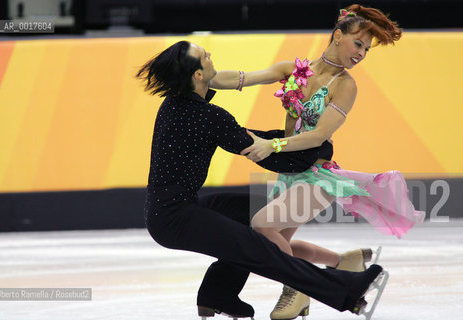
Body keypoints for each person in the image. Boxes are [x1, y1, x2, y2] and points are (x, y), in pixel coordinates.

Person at [139, 40, 385, 319]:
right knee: (258, 249)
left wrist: (302, 144)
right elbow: (267, 154)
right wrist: (318, 149)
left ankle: (218, 293)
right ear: (197, 75)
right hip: (174, 218)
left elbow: (249, 136)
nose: (210, 56)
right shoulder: (206, 116)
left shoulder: (177, 105)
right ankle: (345, 291)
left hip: (174, 208)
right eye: (204, 57)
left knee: (254, 215)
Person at [210, 4, 424, 320]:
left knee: (262, 225)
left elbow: (318, 136)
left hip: (317, 176)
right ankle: (343, 262)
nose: (362, 53)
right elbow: (245, 78)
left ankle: (296, 290)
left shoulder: (345, 85)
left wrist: (273, 145)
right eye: (358, 43)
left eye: (366, 49)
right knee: (273, 243)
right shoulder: (295, 71)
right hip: (290, 174)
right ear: (338, 36)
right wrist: (204, 80)